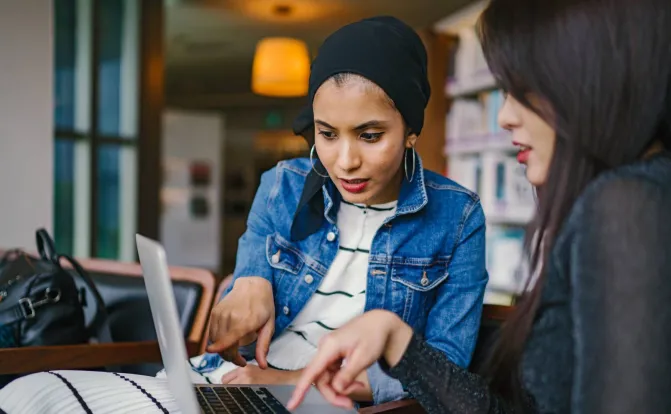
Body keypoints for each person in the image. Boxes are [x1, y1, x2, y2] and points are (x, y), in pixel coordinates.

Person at [287, 0, 671, 413]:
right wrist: (397, 340)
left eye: (523, 90)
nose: (504, 117)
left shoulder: (635, 207)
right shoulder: (657, 195)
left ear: (592, 77)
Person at [193, 15, 488, 406]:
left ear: (411, 131)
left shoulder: (459, 217)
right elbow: (246, 284)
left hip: (324, 401)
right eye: (327, 134)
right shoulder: (283, 184)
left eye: (369, 136)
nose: (345, 161)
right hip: (232, 381)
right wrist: (248, 283)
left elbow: (441, 371)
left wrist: (287, 380)